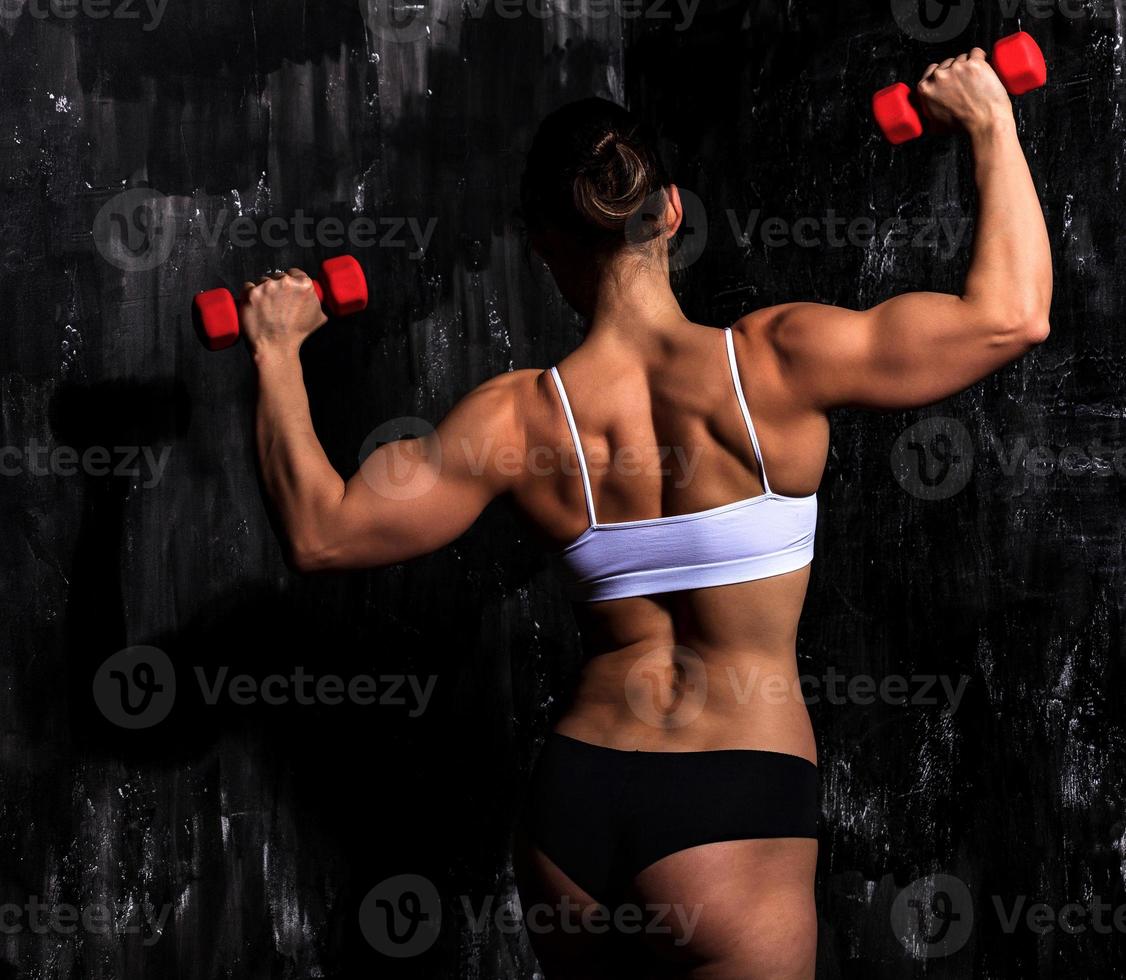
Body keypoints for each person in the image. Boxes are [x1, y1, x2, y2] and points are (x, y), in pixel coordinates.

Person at [238, 47, 1051, 980]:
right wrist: (989, 118)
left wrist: (275, 350)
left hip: (576, 809)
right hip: (731, 801)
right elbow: (1011, 316)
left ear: (544, 244)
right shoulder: (775, 365)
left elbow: (322, 531)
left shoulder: (518, 418)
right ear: (670, 211)